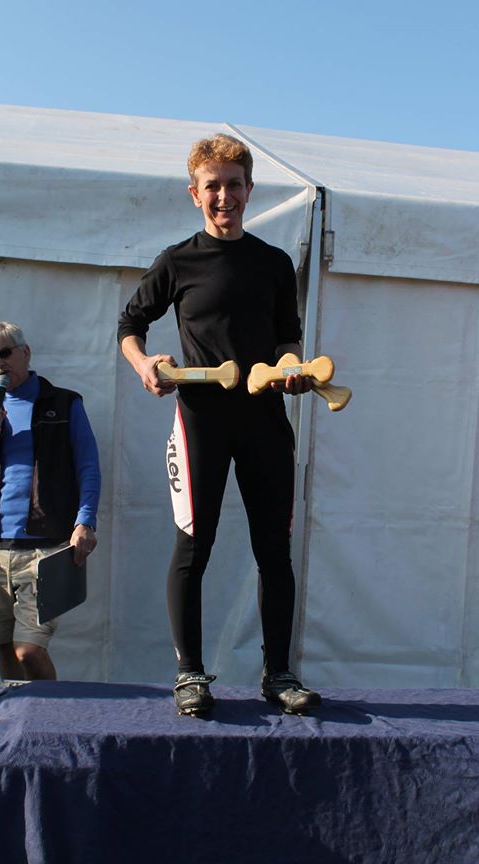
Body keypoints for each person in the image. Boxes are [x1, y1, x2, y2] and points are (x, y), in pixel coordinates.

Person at [118, 133, 321, 716]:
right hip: (200, 421)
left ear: (250, 190)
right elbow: (130, 326)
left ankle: (278, 674)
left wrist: (290, 368)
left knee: (274, 550)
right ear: (195, 193)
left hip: (265, 420)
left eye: (234, 185)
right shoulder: (177, 261)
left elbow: (287, 338)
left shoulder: (274, 263)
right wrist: (144, 364)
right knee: (193, 547)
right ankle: (189, 674)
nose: (224, 196)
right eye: (213, 186)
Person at [0, 321, 101, 681]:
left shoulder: (65, 403)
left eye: (4, 352)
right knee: (5, 646)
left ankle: (53, 713)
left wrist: (85, 521)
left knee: (29, 649)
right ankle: (15, 712)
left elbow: (88, 466)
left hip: (44, 548)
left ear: (25, 353)